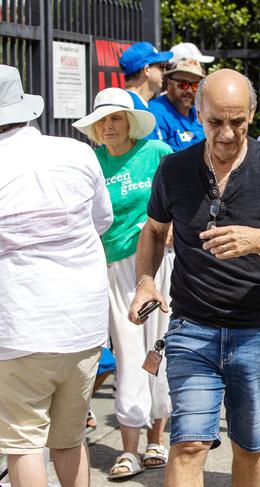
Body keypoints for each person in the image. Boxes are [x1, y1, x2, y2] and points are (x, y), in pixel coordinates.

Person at [128, 68, 260, 487]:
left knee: (249, 446)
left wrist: (259, 241)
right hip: (192, 330)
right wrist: (144, 281)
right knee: (189, 444)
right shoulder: (174, 169)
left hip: (259, 331)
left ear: (251, 114)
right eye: (216, 122)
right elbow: (155, 230)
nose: (227, 133)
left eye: (238, 122)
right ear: (198, 114)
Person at [0, 64, 113, 487]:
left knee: (24, 443)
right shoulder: (76, 152)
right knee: (68, 439)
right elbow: (102, 220)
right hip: (81, 324)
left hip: (20, 327)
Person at [72, 88, 174, 480]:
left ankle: (157, 441)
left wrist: (175, 229)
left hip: (162, 265)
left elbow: (183, 199)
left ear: (130, 122)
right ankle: (129, 449)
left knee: (160, 347)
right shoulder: (91, 162)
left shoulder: (158, 153)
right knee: (130, 353)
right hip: (114, 268)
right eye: (102, 120)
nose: (109, 126)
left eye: (116, 118)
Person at [119, 41, 173, 139]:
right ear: (146, 69)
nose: (164, 71)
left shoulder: (131, 103)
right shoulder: (134, 109)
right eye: (161, 66)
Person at [149, 58, 206, 151]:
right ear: (169, 83)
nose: (189, 90)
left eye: (195, 85)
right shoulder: (155, 112)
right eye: (183, 84)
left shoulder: (200, 112)